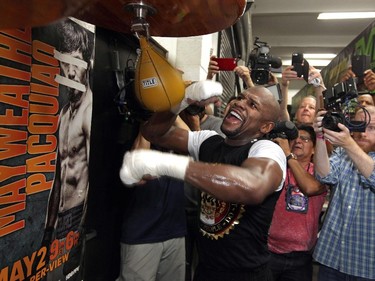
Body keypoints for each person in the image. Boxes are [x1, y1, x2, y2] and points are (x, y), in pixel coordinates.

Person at [120, 82, 287, 281]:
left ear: (265, 127)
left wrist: (166, 164)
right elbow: (153, 133)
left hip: (247, 275)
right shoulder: (209, 142)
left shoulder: (267, 150)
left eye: (253, 105)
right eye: (241, 97)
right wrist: (181, 100)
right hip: (206, 270)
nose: (240, 103)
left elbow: (253, 186)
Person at [42, 18, 94, 280]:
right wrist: (48, 228)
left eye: (76, 62)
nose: (71, 72)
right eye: (65, 62)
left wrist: (80, 229)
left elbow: (94, 176)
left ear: (87, 64)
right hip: (58, 219)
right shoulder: (64, 114)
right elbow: (59, 176)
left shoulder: (89, 111)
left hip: (76, 217)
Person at [312, 105, 375, 280]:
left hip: (366, 263)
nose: (363, 132)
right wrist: (320, 136)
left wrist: (349, 143)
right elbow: (324, 175)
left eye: (371, 127)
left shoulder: (347, 148)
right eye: (359, 125)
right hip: (331, 255)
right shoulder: (342, 152)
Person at [117, 130, 187, 281]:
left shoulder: (177, 141)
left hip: (175, 231)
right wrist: (147, 124)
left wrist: (177, 113)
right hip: (142, 234)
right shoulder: (140, 140)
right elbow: (140, 172)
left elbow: (197, 149)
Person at [268, 124, 327, 281]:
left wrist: (289, 155)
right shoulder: (277, 166)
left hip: (301, 257)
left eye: (305, 139)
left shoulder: (322, 172)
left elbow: (310, 187)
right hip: (268, 251)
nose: (298, 141)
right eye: (294, 138)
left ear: (314, 149)